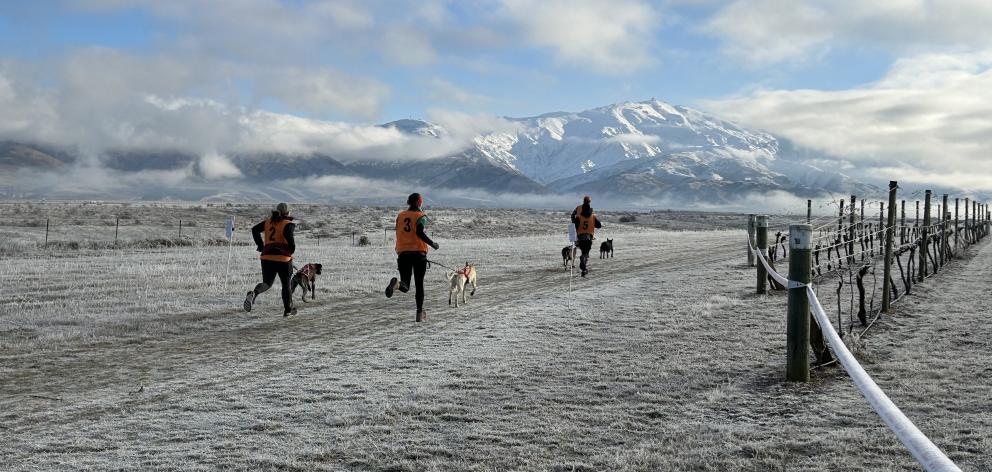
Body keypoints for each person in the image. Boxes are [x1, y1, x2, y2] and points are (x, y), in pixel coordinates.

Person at [385, 192, 439, 322]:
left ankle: (396, 284)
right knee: (419, 285)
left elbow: (399, 231)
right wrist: (432, 244)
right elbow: (419, 232)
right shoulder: (421, 216)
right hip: (418, 254)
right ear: (419, 202)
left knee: (406, 285)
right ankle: (419, 314)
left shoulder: (400, 216)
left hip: (403, 253)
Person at [243, 202, 297, 317]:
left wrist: (261, 246)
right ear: (287, 212)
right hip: (283, 259)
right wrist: (290, 251)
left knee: (267, 283)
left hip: (267, 257)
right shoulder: (288, 224)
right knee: (286, 285)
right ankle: (288, 310)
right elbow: (290, 242)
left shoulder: (268, 222)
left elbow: (254, 230)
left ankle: (254, 293)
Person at [571, 195, 602, 277]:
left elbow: (575, 224)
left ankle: (583, 269)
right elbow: (599, 225)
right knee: (585, 254)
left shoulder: (579, 215)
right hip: (589, 238)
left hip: (580, 238)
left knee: (583, 252)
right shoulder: (593, 216)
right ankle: (583, 267)